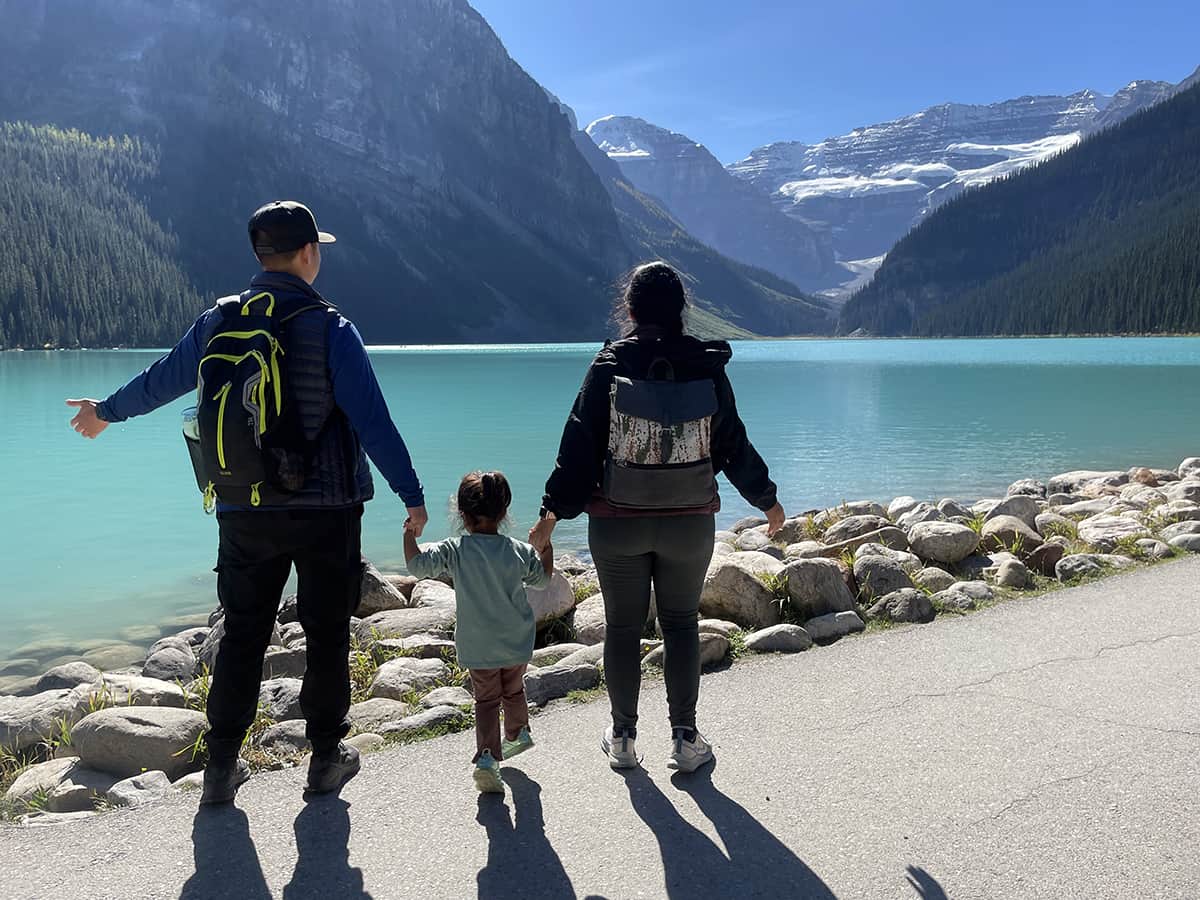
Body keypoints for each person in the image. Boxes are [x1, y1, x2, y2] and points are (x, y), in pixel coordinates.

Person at [66, 200, 429, 804]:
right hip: (327, 510)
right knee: (326, 632)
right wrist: (411, 497)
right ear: (309, 253)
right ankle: (324, 758)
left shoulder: (219, 320)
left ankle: (221, 768)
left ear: (261, 255)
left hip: (242, 505)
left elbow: (165, 378)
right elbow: (374, 422)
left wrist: (104, 412)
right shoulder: (332, 327)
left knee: (242, 634)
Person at [529, 261, 785, 774]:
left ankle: (623, 738)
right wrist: (768, 501)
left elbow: (578, 445)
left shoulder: (608, 364)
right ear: (682, 311)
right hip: (689, 522)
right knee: (681, 625)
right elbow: (731, 442)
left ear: (630, 309)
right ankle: (685, 740)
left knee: (623, 627)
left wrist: (551, 514)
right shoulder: (706, 364)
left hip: (617, 521)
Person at [404, 471, 553, 795]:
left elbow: (416, 567)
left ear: (461, 513)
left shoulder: (455, 550)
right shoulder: (517, 550)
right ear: (504, 512)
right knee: (513, 690)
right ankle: (517, 733)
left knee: (486, 701)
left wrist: (409, 534)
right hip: (516, 640)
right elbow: (542, 580)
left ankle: (487, 758)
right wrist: (546, 548)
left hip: (479, 645)